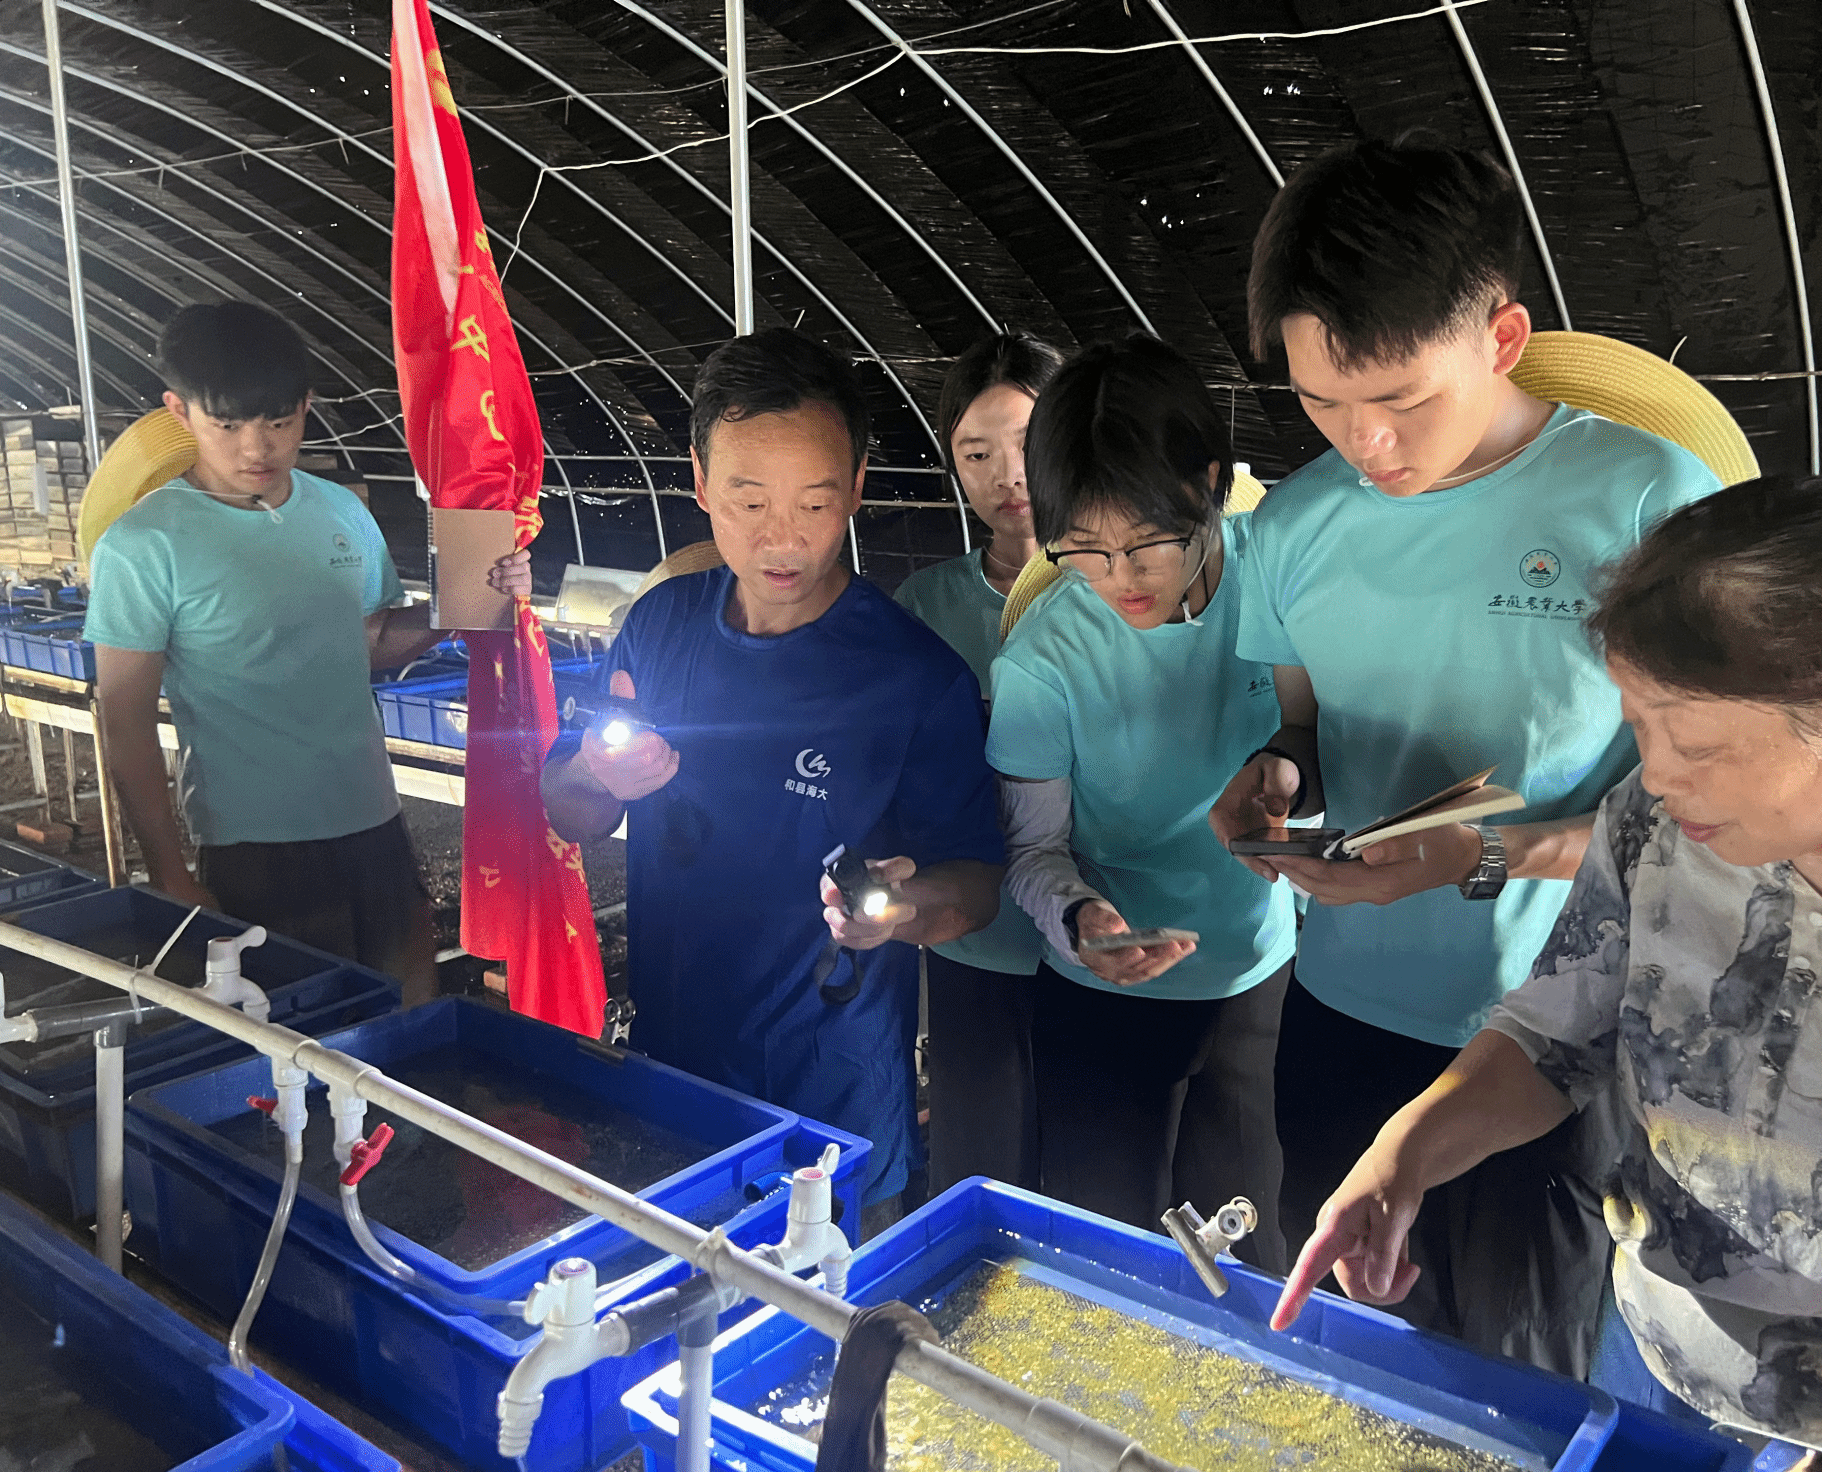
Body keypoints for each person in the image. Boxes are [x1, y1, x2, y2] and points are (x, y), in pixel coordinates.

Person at [1274, 473, 1822, 1472]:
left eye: (1701, 745)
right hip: (1654, 1357)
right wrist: (1406, 1152)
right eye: (1639, 725)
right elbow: (1560, 1029)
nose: (1659, 776)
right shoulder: (1659, 819)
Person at [1207, 138, 1722, 1360]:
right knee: (1339, 1351)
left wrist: (1476, 856)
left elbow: (1703, 817)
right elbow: (1302, 727)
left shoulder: (1647, 506)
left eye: (1399, 402)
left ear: (1501, 338)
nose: (1363, 444)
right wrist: (1274, 782)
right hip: (1340, 1011)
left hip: (1549, 1040)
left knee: (1517, 1375)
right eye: (1320, 403)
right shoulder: (1293, 526)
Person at [539, 328, 1005, 1233]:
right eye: (748, 501)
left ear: (858, 487)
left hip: (833, 1100)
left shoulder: (913, 676)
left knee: (828, 1307)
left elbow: (977, 882)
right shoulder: (659, 628)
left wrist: (904, 911)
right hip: (673, 1079)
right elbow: (570, 808)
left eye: (815, 503)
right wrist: (599, 772)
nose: (782, 537)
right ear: (700, 481)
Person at [87, 302, 529, 1001]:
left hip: (373, 817)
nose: (256, 448)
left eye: (279, 422)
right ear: (179, 411)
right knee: (298, 1026)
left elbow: (370, 643)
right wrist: (169, 870)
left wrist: (477, 595)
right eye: (228, 425)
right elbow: (125, 718)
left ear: (306, 407)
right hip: (253, 843)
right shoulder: (143, 545)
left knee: (407, 1006)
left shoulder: (339, 509)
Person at [988, 336, 1293, 1272]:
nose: (1120, 577)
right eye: (1082, 548)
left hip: (1257, 976)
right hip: (1105, 997)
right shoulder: (1044, 659)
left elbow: (1336, 740)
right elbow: (1032, 851)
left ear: (1210, 484)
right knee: (1107, 1261)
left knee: (1249, 1255)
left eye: (1148, 542)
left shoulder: (1282, 579)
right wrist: (1083, 919)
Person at [893, 331, 1063, 1195]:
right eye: (977, 453)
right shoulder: (924, 607)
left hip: (1095, 946)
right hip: (974, 944)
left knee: (1089, 1181)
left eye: (1029, 443)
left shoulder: (1128, 593)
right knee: (981, 1175)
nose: (1009, 476)